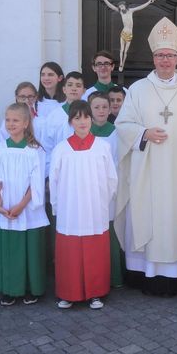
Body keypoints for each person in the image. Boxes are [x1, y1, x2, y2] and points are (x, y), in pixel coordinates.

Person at [114, 16, 177, 296]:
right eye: (160, 55)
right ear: (153, 57)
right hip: (148, 169)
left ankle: (176, 276)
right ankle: (144, 275)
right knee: (149, 215)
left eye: (169, 55)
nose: (165, 61)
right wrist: (144, 134)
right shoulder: (137, 89)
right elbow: (123, 126)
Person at [50, 101, 118, 310]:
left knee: (94, 252)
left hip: (95, 209)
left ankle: (95, 293)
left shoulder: (102, 147)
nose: (82, 122)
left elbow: (111, 179)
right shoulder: (61, 149)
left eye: (86, 117)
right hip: (70, 209)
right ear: (70, 121)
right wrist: (57, 206)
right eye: (77, 118)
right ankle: (68, 293)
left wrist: (101, 203)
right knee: (69, 253)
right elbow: (54, 180)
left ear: (91, 119)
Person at [0, 103, 49, 306]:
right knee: (8, 249)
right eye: (8, 119)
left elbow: (36, 182)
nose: (10, 124)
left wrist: (21, 205)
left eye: (16, 120)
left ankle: (31, 288)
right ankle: (9, 288)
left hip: (26, 209)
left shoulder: (35, 150)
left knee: (29, 249)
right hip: (4, 209)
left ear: (26, 123)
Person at [88, 91, 123, 287]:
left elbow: (119, 161)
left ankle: (114, 275)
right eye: (96, 107)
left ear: (110, 109)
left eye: (104, 107)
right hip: (89, 189)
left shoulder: (116, 132)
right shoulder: (84, 132)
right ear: (89, 110)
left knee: (110, 230)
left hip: (110, 189)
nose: (101, 111)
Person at [97, 0, 156, 72]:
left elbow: (140, 7)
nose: (121, 8)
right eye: (120, 7)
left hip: (129, 34)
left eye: (122, 6)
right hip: (124, 32)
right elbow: (111, 6)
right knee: (121, 50)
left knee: (126, 51)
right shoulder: (121, 12)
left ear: (125, 6)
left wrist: (149, 2)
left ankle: (123, 63)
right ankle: (121, 63)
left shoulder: (130, 11)